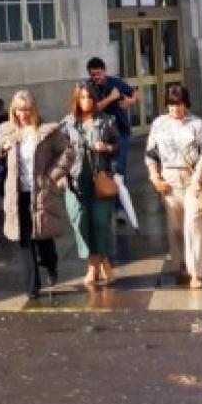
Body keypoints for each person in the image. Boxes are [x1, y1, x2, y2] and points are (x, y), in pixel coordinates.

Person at [0, 90, 72, 299]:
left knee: (43, 239)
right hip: (17, 192)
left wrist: (53, 174)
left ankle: (51, 264)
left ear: (34, 109)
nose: (23, 114)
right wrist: (2, 149)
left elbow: (67, 152)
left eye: (27, 110)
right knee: (24, 239)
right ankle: (32, 287)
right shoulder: (7, 130)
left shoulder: (47, 130)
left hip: (41, 190)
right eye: (19, 110)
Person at [145, 85, 202, 289]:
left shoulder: (197, 124)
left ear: (186, 104)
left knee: (194, 224)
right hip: (169, 181)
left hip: (192, 179)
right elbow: (151, 152)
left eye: (178, 104)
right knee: (175, 228)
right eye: (171, 104)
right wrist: (154, 176)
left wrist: (199, 176)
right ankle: (182, 263)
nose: (174, 109)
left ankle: (197, 271)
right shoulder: (159, 124)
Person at [60, 82, 120, 289]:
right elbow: (58, 153)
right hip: (76, 182)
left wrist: (107, 147)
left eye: (90, 97)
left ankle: (102, 264)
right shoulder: (67, 124)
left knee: (101, 222)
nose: (87, 101)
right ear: (76, 99)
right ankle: (94, 263)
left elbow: (118, 147)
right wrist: (60, 175)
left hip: (100, 178)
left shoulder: (105, 121)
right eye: (83, 97)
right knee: (81, 222)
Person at [84, 56, 140, 180]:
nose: (96, 77)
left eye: (99, 73)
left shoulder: (115, 82)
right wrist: (112, 97)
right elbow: (94, 108)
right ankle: (108, 194)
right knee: (104, 168)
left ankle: (120, 196)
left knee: (119, 168)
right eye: (93, 75)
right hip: (102, 133)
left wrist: (130, 101)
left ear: (105, 71)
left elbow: (135, 94)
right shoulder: (89, 87)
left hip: (121, 130)